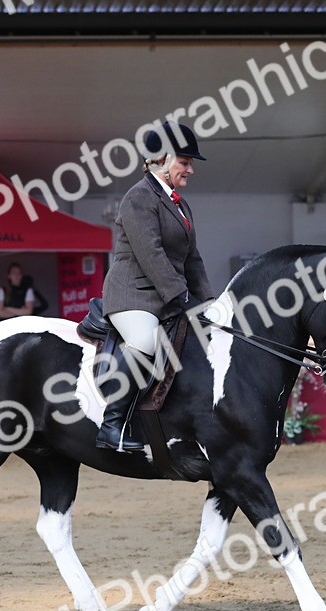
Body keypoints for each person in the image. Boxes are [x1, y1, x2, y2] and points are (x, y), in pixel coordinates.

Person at [97, 123, 213, 451]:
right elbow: (152, 255)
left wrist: (210, 303)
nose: (190, 169)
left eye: (191, 163)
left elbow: (193, 260)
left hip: (168, 295)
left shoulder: (181, 205)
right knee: (145, 340)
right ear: (160, 159)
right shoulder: (138, 198)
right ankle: (112, 424)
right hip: (133, 295)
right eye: (184, 161)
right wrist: (181, 297)